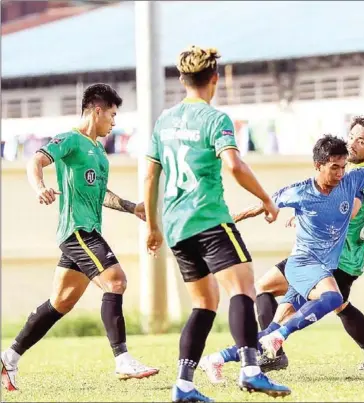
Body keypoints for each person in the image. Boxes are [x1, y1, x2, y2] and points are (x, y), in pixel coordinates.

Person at [143, 46, 290, 403]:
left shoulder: (164, 121)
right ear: (215, 79)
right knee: (243, 290)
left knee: (205, 303)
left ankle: (184, 384)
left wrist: (152, 226)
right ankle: (252, 371)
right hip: (208, 219)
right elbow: (234, 166)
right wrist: (267, 200)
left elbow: (150, 176)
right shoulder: (215, 119)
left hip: (177, 227)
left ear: (181, 79)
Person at [198, 117, 364, 383]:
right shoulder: (354, 174)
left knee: (314, 310)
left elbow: (351, 210)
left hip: (337, 260)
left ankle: (238, 355)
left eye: (361, 141)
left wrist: (315, 216)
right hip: (327, 257)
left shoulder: (359, 178)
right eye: (351, 136)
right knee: (281, 297)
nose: (352, 143)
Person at [224, 134, 364, 362]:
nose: (340, 173)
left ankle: (229, 356)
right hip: (306, 263)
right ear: (318, 166)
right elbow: (266, 203)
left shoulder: (354, 181)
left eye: (343, 167)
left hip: (334, 262)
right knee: (306, 299)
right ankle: (271, 350)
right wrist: (233, 218)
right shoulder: (300, 191)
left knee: (326, 305)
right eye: (334, 168)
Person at [1, 84, 158, 393]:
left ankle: (8, 357)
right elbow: (36, 160)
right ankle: (123, 359)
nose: (114, 123)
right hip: (77, 231)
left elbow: (101, 195)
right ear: (96, 110)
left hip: (87, 232)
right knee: (116, 281)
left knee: (60, 302)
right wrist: (39, 187)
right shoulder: (71, 140)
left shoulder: (100, 153)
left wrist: (132, 207)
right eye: (112, 115)